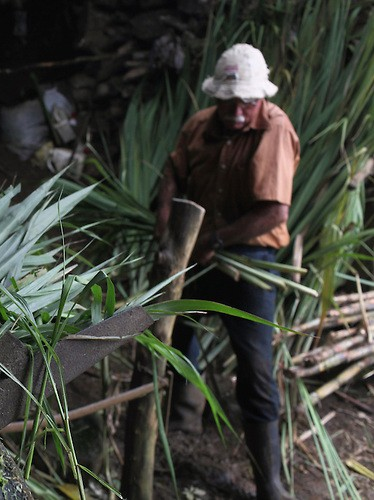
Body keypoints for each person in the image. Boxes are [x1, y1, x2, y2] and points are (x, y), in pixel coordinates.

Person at [154, 43, 299, 499]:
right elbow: (172, 173)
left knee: (255, 363)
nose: (237, 111)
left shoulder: (274, 129)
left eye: (247, 102)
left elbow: (274, 212)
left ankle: (269, 483)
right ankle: (181, 432)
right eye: (229, 101)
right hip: (196, 251)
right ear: (216, 95)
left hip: (247, 260)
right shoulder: (200, 125)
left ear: (260, 100)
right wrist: (166, 226)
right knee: (181, 336)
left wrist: (217, 240)